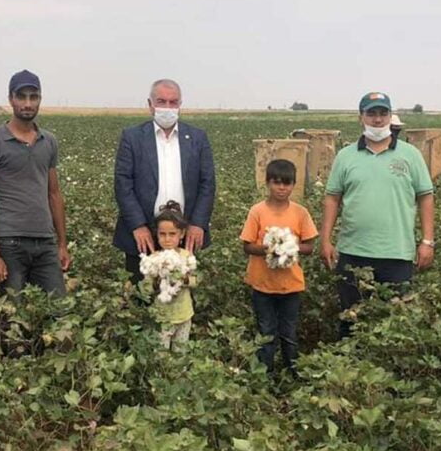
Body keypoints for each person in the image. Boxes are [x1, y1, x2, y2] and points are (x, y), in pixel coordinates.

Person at [320, 91, 435, 338]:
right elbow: (332, 198)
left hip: (397, 254)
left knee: (395, 324)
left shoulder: (410, 155)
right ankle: (348, 373)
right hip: (353, 253)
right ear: (361, 117)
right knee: (351, 320)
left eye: (383, 113)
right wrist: (326, 240)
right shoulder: (346, 156)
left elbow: (425, 196)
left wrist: (427, 241)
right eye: (371, 113)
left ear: (390, 117)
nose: (378, 119)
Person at [113, 79, 216, 284]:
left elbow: (207, 183)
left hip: (184, 234)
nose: (167, 108)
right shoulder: (132, 137)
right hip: (144, 236)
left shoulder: (197, 138)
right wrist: (138, 225)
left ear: (180, 105)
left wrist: (198, 224)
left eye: (173, 102)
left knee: (181, 295)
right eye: (161, 101)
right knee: (142, 295)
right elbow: (123, 184)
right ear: (150, 105)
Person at [0, 69, 70, 298]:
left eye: (33, 97)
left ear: (40, 99)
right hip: (10, 242)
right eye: (22, 97)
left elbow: (54, 194)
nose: (28, 103)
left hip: (45, 241)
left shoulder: (48, 141)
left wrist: (62, 244)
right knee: (13, 316)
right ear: (11, 99)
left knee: (59, 310)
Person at [240, 159, 318, 374]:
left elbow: (310, 246)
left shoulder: (300, 213)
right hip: (262, 285)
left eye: (286, 183)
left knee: (289, 332)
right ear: (267, 183)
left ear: (293, 185)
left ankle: (293, 373)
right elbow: (247, 246)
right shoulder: (257, 212)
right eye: (276, 183)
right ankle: (265, 375)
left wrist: (288, 247)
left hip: (290, 285)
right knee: (266, 332)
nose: (282, 188)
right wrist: (270, 248)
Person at [146, 202, 197, 351]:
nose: (167, 239)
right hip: (162, 317)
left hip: (184, 315)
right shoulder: (154, 259)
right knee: (160, 354)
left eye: (172, 234)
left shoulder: (187, 256)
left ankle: (177, 375)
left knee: (180, 353)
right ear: (157, 234)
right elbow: (147, 288)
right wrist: (158, 278)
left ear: (181, 234)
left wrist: (183, 278)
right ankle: (162, 374)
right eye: (162, 234)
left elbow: (195, 281)